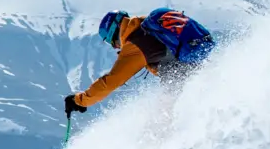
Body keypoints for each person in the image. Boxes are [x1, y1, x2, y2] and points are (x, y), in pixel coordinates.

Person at [64, 8, 216, 117]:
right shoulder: (147, 24)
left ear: (114, 34)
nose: (116, 47)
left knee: (159, 122)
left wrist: (80, 100)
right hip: (200, 62)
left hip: (180, 74)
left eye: (113, 43)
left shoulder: (136, 45)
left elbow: (111, 81)